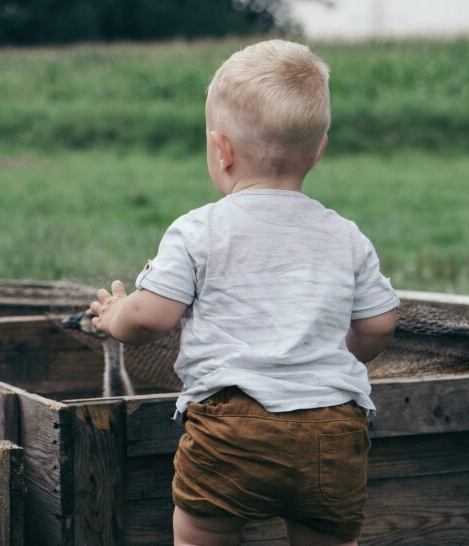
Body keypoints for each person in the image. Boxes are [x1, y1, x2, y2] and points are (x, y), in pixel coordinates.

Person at [89, 40, 399, 546]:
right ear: (318, 152)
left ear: (222, 150)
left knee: (201, 534)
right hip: (332, 429)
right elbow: (379, 324)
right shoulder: (345, 235)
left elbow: (150, 318)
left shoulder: (198, 230)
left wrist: (114, 314)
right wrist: (347, 353)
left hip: (231, 428)